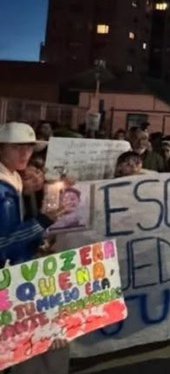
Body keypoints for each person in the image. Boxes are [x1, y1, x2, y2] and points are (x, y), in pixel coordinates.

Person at [0, 122, 71, 372]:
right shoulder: (3, 189)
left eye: (29, 148)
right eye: (16, 147)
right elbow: (3, 241)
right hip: (9, 277)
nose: (24, 154)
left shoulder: (14, 180)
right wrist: (42, 221)